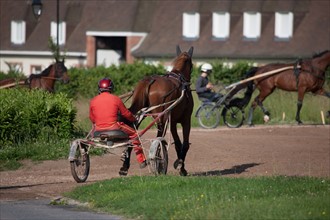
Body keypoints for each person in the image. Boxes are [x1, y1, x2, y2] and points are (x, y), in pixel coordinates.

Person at [89, 78, 147, 168]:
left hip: (98, 131)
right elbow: (126, 114)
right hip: (114, 128)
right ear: (111, 88)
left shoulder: (93, 101)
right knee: (135, 135)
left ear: (99, 88)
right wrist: (133, 119)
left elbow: (92, 118)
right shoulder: (116, 99)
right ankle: (141, 160)